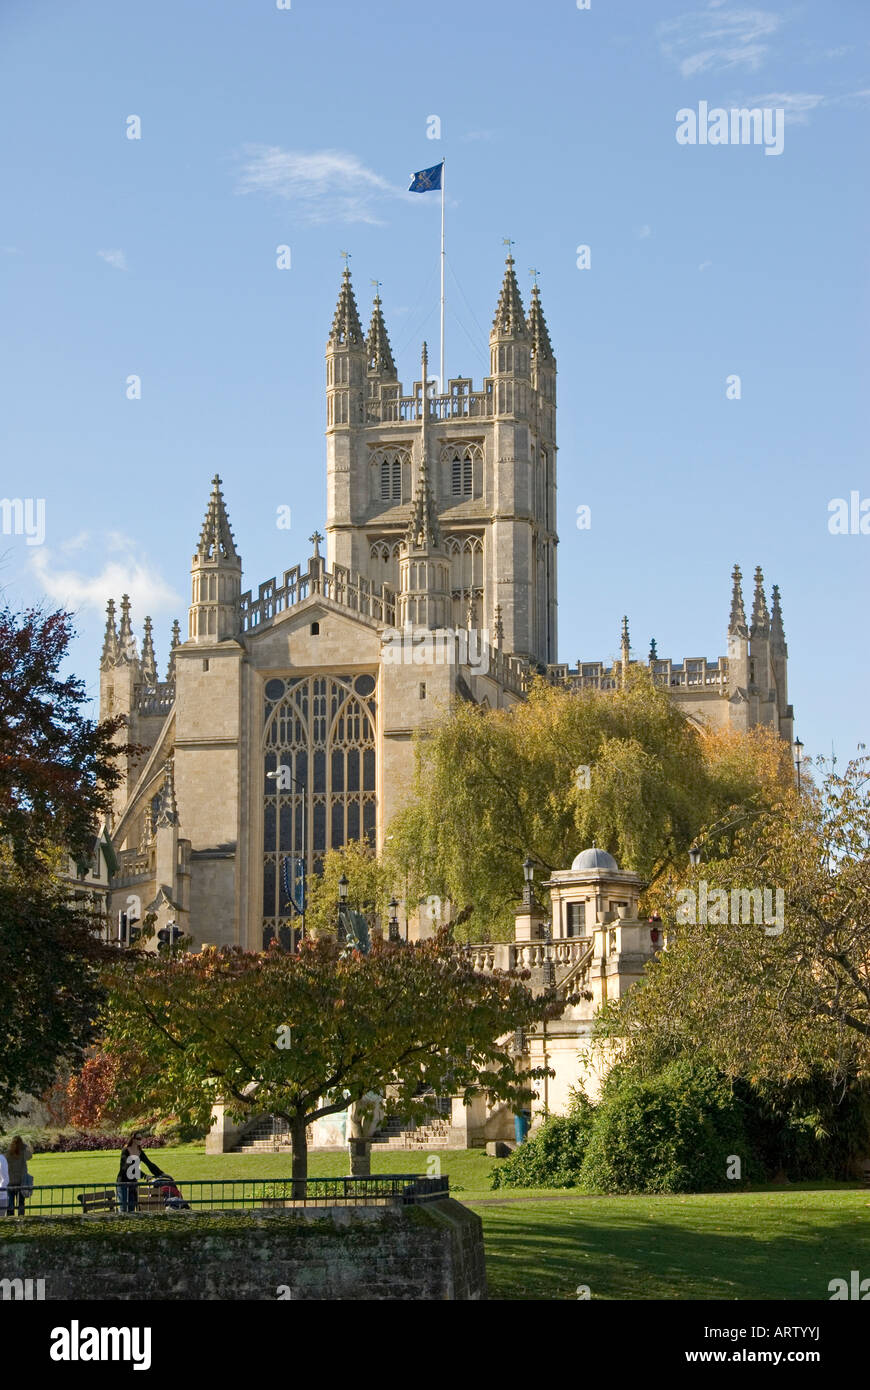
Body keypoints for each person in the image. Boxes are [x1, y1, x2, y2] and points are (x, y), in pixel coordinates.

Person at [115, 1133, 162, 1213]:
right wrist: (144, 1175)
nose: (140, 1140)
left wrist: (161, 1174)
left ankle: (130, 1224)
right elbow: (128, 1167)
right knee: (124, 1209)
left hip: (133, 1183)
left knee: (132, 1209)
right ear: (133, 1139)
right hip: (123, 1183)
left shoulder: (140, 1152)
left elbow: (150, 1164)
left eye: (141, 1138)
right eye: (138, 1138)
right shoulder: (125, 1151)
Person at [5, 1136, 33, 1216]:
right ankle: (21, 1219)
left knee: (10, 1203)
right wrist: (26, 1146)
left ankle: (10, 1219)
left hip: (10, 1181)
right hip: (21, 1181)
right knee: (21, 1203)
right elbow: (30, 1156)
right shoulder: (23, 1152)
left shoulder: (8, 1153)